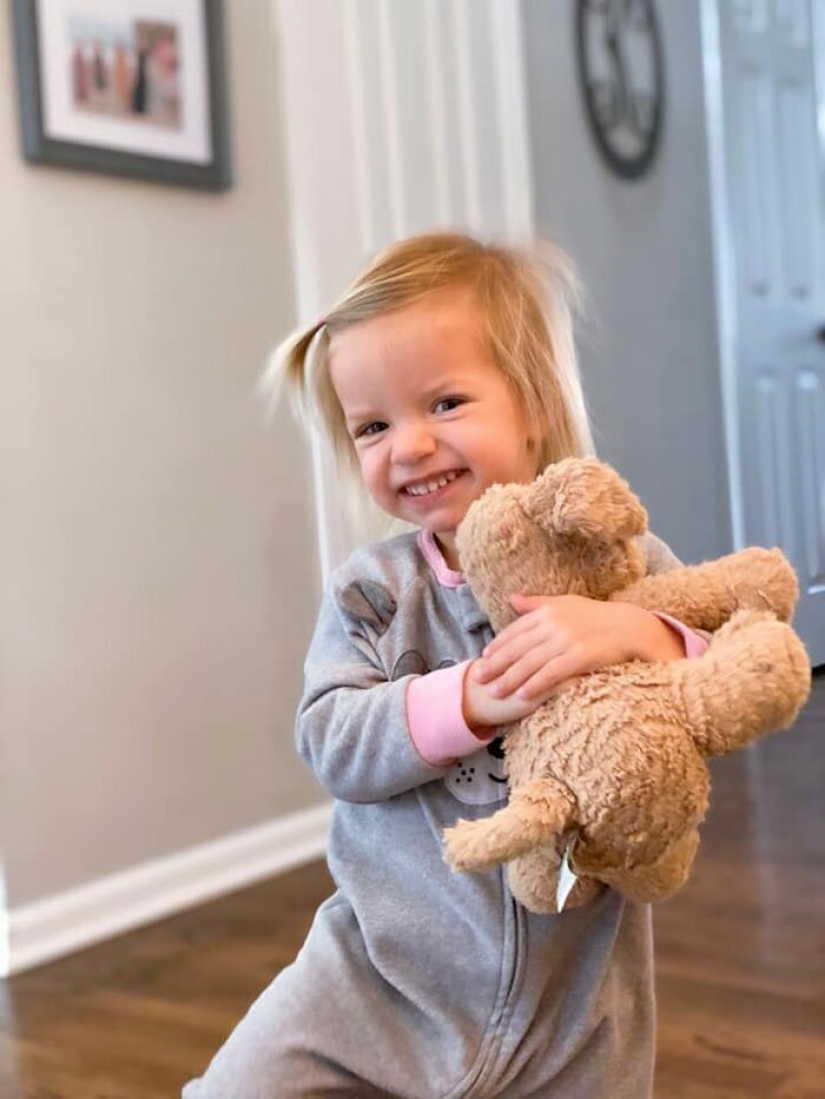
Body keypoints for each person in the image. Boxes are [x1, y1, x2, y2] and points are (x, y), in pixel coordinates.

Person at [183, 232, 708, 1098]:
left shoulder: (617, 559)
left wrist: (639, 637)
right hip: (377, 978)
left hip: (573, 997)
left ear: (534, 402)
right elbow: (329, 735)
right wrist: (462, 697)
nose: (411, 445)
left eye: (446, 402)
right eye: (374, 426)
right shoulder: (374, 592)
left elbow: (727, 680)